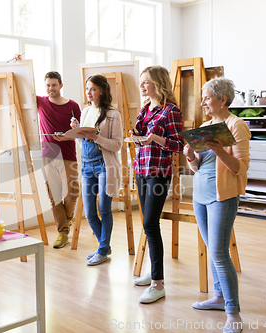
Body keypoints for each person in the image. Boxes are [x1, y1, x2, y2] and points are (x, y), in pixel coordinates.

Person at [183, 77, 250, 333]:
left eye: (207, 98)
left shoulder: (236, 125)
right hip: (200, 195)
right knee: (212, 249)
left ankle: (234, 315)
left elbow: (239, 168)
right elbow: (198, 166)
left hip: (223, 196)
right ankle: (220, 297)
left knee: (220, 253)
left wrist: (220, 149)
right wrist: (191, 157)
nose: (203, 102)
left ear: (222, 100)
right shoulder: (205, 126)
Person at [12, 54, 81, 249]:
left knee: (72, 193)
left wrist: (69, 134)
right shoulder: (41, 102)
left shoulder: (73, 105)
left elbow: (80, 132)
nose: (50, 89)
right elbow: (23, 89)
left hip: (68, 154)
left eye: (54, 85)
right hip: (48, 155)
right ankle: (63, 231)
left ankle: (66, 220)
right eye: (48, 86)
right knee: (54, 194)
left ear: (61, 85)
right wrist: (19, 66)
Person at [131, 66, 183, 303]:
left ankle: (157, 284)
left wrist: (155, 139)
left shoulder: (170, 110)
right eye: (141, 83)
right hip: (141, 170)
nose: (142, 87)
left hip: (159, 173)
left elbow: (178, 145)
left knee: (151, 223)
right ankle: (154, 274)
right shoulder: (145, 109)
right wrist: (134, 136)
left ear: (159, 84)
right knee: (147, 223)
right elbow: (140, 136)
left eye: (146, 82)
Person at [71, 74, 122, 266]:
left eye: (92, 89)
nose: (89, 93)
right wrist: (77, 130)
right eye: (87, 89)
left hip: (103, 165)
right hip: (86, 166)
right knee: (90, 212)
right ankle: (104, 246)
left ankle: (102, 250)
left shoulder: (112, 114)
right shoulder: (85, 111)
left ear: (101, 90)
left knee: (104, 209)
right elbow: (81, 142)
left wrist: (96, 137)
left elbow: (117, 145)